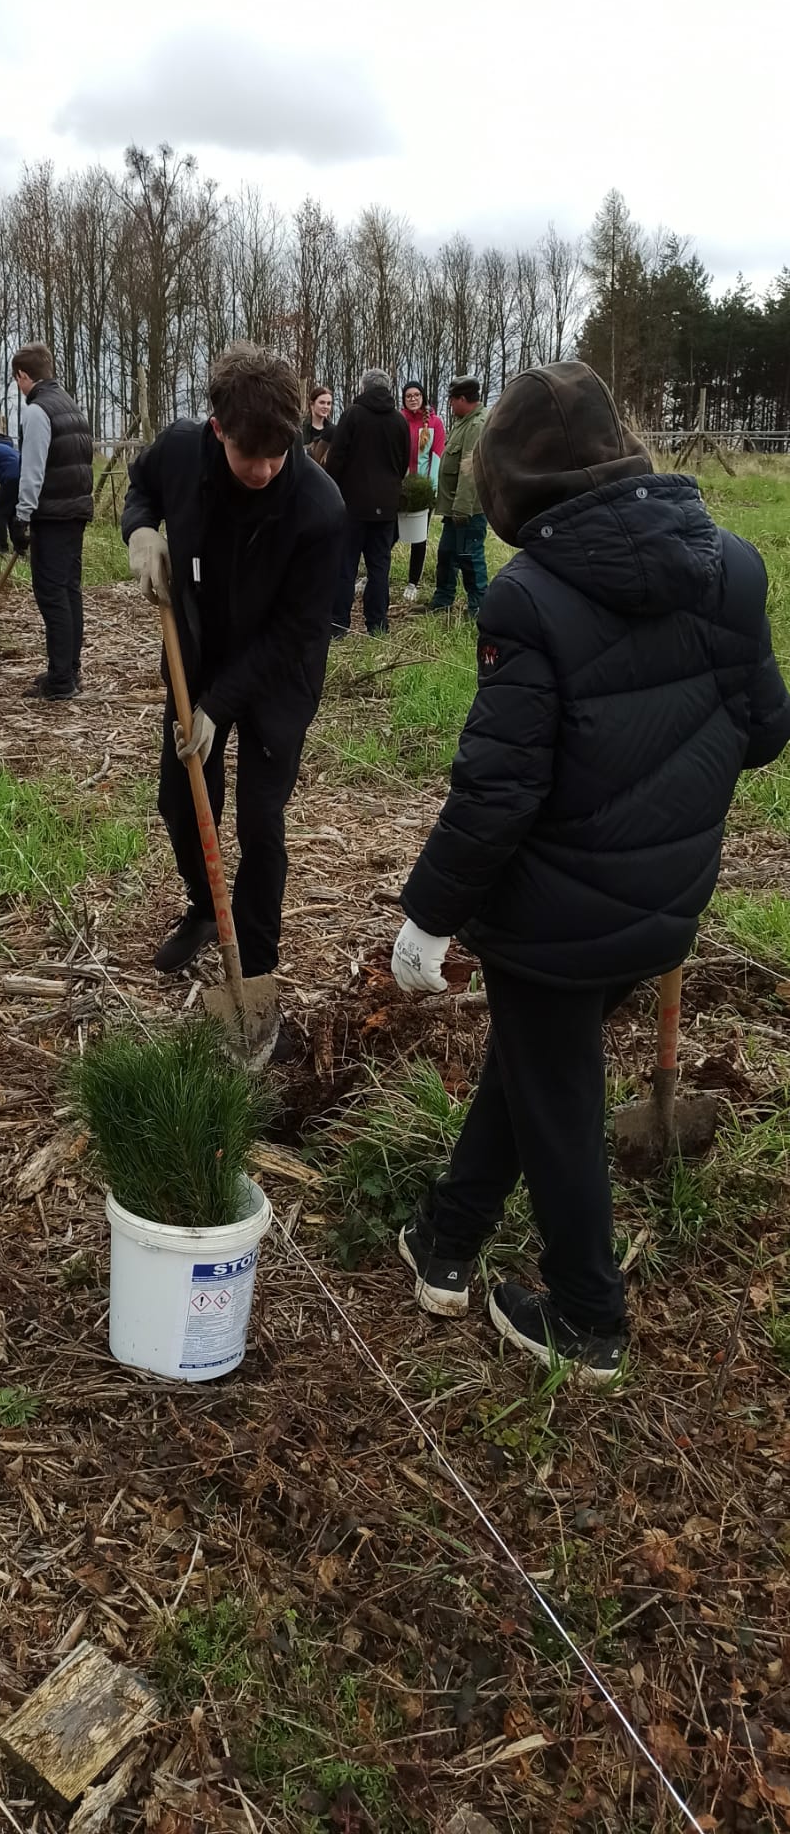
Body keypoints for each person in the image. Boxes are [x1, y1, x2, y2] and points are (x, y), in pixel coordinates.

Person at [391, 360, 790, 1379]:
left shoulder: (527, 597)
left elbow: (498, 791)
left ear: (512, 481)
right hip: (663, 898)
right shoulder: (733, 565)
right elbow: (763, 731)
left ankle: (585, 1316)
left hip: (550, 917)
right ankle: (444, 1239)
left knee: (556, 1093)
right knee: (533, 1062)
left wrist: (427, 916)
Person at [122, 342, 344, 990]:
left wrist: (220, 707)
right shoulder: (181, 451)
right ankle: (202, 906)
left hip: (279, 673)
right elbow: (140, 488)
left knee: (258, 818)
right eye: (251, 455)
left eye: (279, 454)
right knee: (181, 800)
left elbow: (297, 631)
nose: (265, 469)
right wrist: (139, 531)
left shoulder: (319, 507)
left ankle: (255, 961)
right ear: (218, 429)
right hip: (200, 653)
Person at [7, 345, 94, 700]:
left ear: (23, 376)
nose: (19, 387)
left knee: (52, 594)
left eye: (17, 381)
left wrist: (22, 515)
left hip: (53, 514)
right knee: (69, 591)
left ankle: (60, 681)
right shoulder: (70, 406)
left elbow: (33, 469)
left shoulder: (37, 410)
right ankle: (69, 670)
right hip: (75, 511)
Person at [326, 367, 410, 636]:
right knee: (379, 567)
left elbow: (336, 457)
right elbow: (402, 462)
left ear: (364, 388)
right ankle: (377, 624)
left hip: (353, 505)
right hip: (386, 506)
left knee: (345, 566)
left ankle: (339, 624)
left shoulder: (352, 415)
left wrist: (332, 489)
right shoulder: (399, 421)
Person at [424, 376, 488, 617]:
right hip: (454, 509)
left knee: (470, 558)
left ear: (463, 399)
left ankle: (479, 608)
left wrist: (462, 508)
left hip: (467, 510)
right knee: (447, 555)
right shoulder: (463, 422)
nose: (450, 404)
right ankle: (443, 600)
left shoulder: (477, 426)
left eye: (452, 399)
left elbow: (470, 470)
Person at [400, 380, 445, 601]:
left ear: (423, 397)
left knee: (419, 538)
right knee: (387, 535)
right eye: (409, 396)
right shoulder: (398, 421)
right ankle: (372, 574)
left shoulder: (435, 423)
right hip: (400, 489)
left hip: (423, 490)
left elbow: (436, 458)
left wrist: (431, 491)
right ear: (404, 399)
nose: (413, 399)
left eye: (417, 395)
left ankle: (413, 582)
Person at [301, 384, 336, 458]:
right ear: (312, 404)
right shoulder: (300, 428)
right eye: (322, 402)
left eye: (329, 403)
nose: (326, 407)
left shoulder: (334, 431)